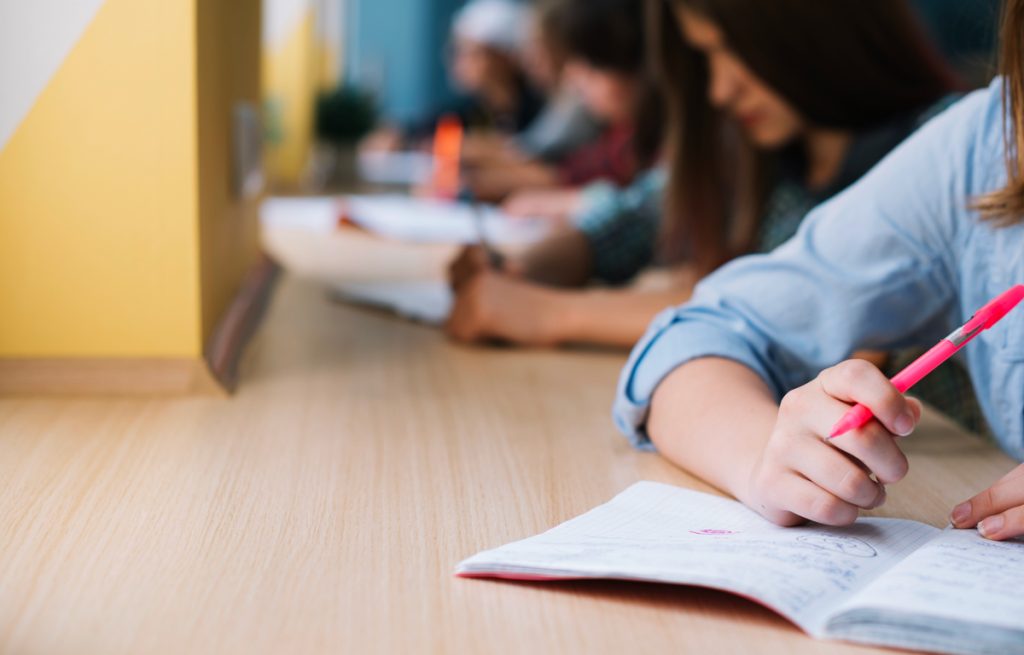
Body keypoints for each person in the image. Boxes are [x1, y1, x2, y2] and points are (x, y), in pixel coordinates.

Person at [613, 0, 1024, 543]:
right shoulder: (986, 147)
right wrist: (771, 456)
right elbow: (701, 330)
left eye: (728, 53)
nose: (719, 91)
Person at [447, 0, 959, 350]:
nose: (719, 90)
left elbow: (801, 311)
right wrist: (523, 271)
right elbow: (631, 221)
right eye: (706, 59)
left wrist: (550, 314)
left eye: (729, 51)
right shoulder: (757, 148)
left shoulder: (943, 145)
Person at [462, 0, 664, 202]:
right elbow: (574, 171)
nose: (527, 60)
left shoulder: (641, 137)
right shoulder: (621, 134)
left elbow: (556, 169)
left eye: (592, 65)